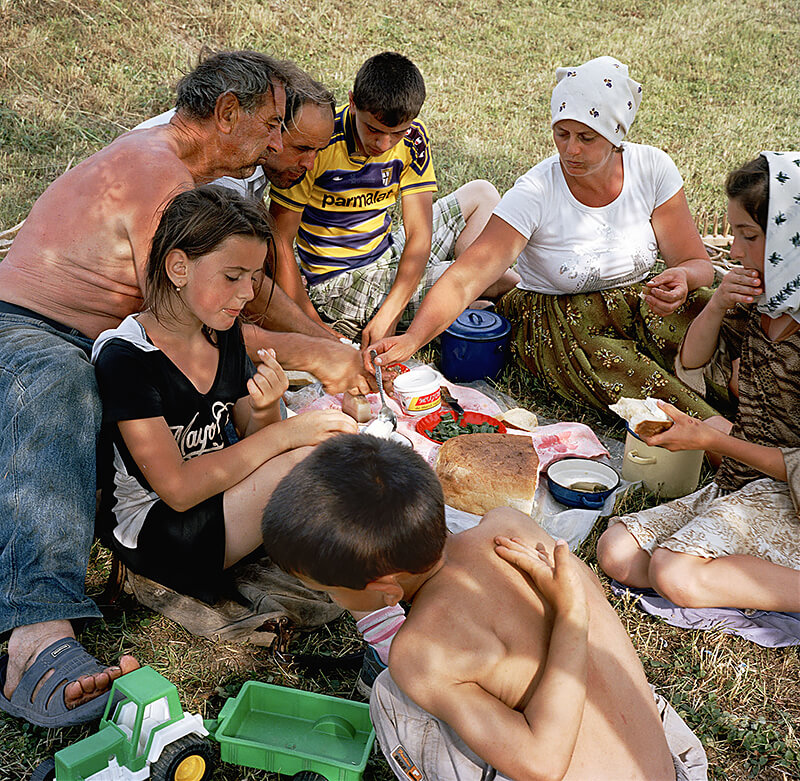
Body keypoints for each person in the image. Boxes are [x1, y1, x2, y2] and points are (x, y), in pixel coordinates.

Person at [0, 49, 365, 729]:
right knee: (64, 387)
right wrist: (315, 354)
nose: (278, 145)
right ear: (226, 113)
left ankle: (191, 547)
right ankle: (37, 632)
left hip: (96, 341)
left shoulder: (185, 177)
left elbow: (240, 305)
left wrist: (319, 344)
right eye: (270, 126)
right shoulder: (160, 179)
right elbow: (193, 321)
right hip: (30, 336)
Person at [261, 435, 708, 781]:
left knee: (389, 695)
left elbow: (543, 765)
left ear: (385, 589)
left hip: (554, 759)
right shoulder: (508, 525)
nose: (331, 600)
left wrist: (572, 617)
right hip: (672, 766)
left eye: (327, 590)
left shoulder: (420, 654)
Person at [367, 56, 717, 417]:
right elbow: (466, 278)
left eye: (586, 137)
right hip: (561, 323)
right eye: (561, 134)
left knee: (722, 318)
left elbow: (697, 265)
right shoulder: (536, 190)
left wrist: (684, 278)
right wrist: (414, 339)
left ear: (615, 135)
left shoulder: (652, 169)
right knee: (644, 388)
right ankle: (718, 435)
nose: (570, 149)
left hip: (638, 303)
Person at [92, 185, 356, 604]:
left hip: (220, 500)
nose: (248, 293)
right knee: (312, 460)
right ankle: (371, 597)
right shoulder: (126, 358)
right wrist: (286, 435)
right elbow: (177, 488)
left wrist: (268, 408)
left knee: (324, 454)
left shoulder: (222, 332)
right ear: (178, 267)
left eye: (253, 278)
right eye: (233, 277)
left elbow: (252, 437)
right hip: (158, 529)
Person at [597, 152, 800, 613]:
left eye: (748, 236)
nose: (734, 251)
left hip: (790, 497)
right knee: (618, 551)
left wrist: (710, 438)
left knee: (674, 572)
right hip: (744, 483)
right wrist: (716, 306)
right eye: (733, 234)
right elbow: (692, 359)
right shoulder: (759, 302)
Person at [269, 51, 519, 344]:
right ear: (352, 102)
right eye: (373, 129)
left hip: (387, 254)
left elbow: (419, 236)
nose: (383, 143)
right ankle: (467, 300)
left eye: (396, 133)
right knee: (492, 273)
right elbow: (279, 240)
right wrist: (311, 322)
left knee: (482, 193)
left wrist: (391, 311)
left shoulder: (413, 138)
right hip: (339, 285)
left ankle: (455, 302)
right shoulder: (319, 143)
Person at [135, 59, 336, 199]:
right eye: (301, 148)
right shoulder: (219, 173)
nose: (310, 165)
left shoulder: (249, 150)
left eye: (318, 151)